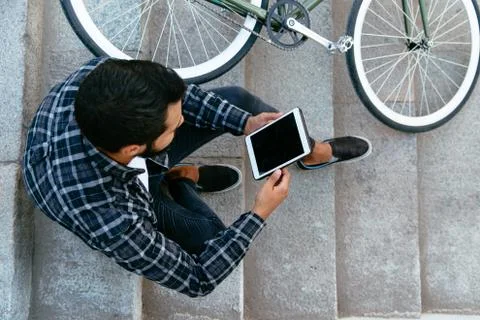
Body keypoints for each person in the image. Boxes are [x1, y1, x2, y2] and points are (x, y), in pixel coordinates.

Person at [22, 57, 371, 297]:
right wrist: (259, 213)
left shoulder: (102, 75)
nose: (185, 121)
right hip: (123, 194)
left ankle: (309, 151)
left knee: (236, 101)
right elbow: (198, 278)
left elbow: (184, 101)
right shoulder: (113, 220)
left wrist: (246, 124)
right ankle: (180, 181)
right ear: (134, 148)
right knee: (213, 238)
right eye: (175, 126)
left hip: (120, 161)